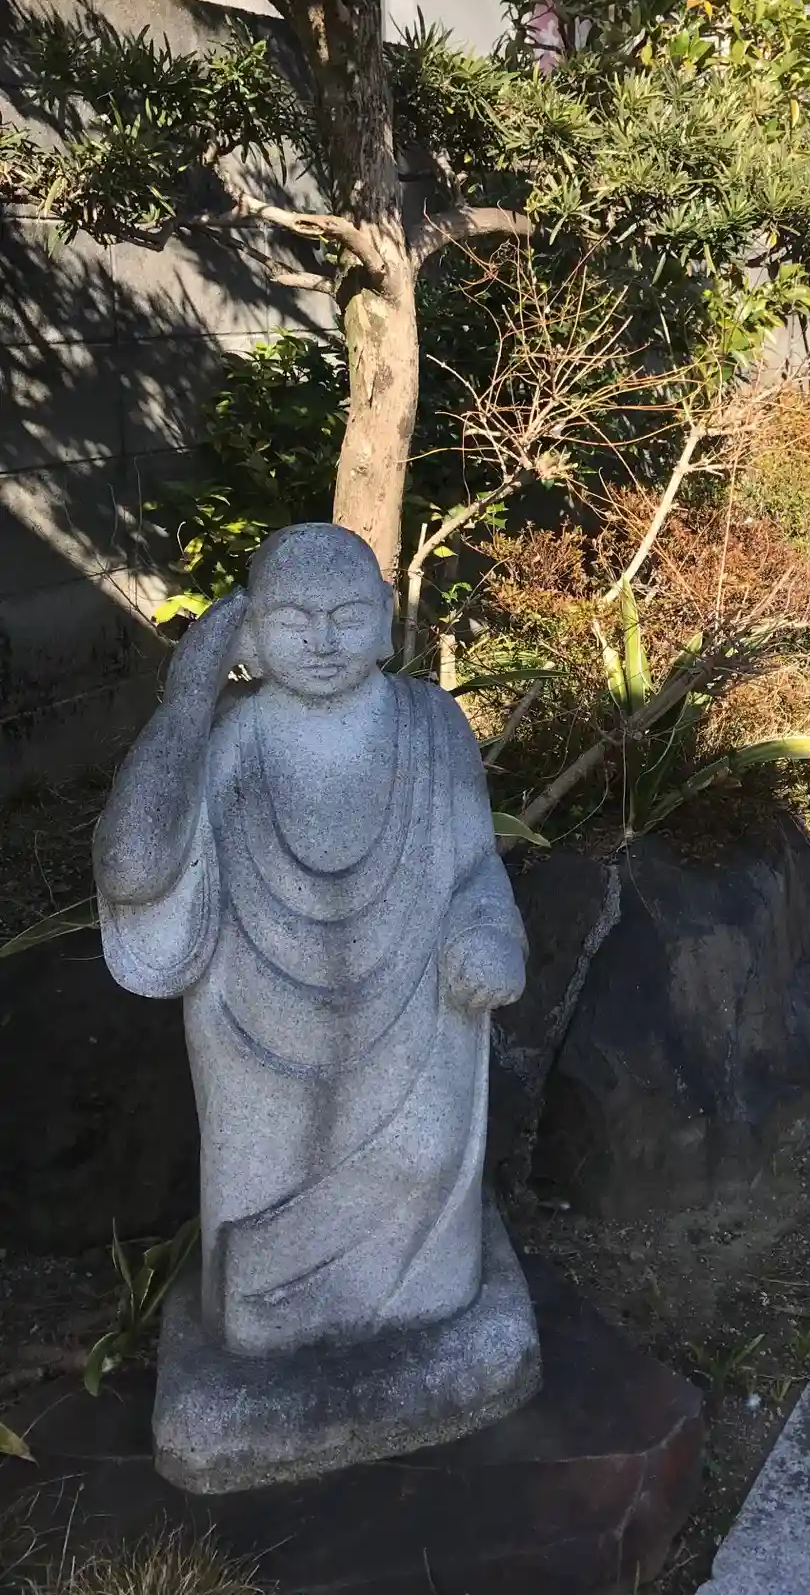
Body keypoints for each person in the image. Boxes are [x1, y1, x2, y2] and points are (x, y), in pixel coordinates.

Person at [93, 524, 527, 1359]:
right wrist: (188, 699)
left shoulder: (432, 726)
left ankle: (425, 1304)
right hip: (253, 1030)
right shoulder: (227, 739)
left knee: (423, 1158)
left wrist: (486, 933)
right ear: (250, 632)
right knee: (263, 1202)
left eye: (347, 615)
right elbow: (133, 870)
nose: (323, 641)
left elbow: (476, 865)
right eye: (293, 619)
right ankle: (276, 1330)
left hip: (417, 1010)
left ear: (386, 619)